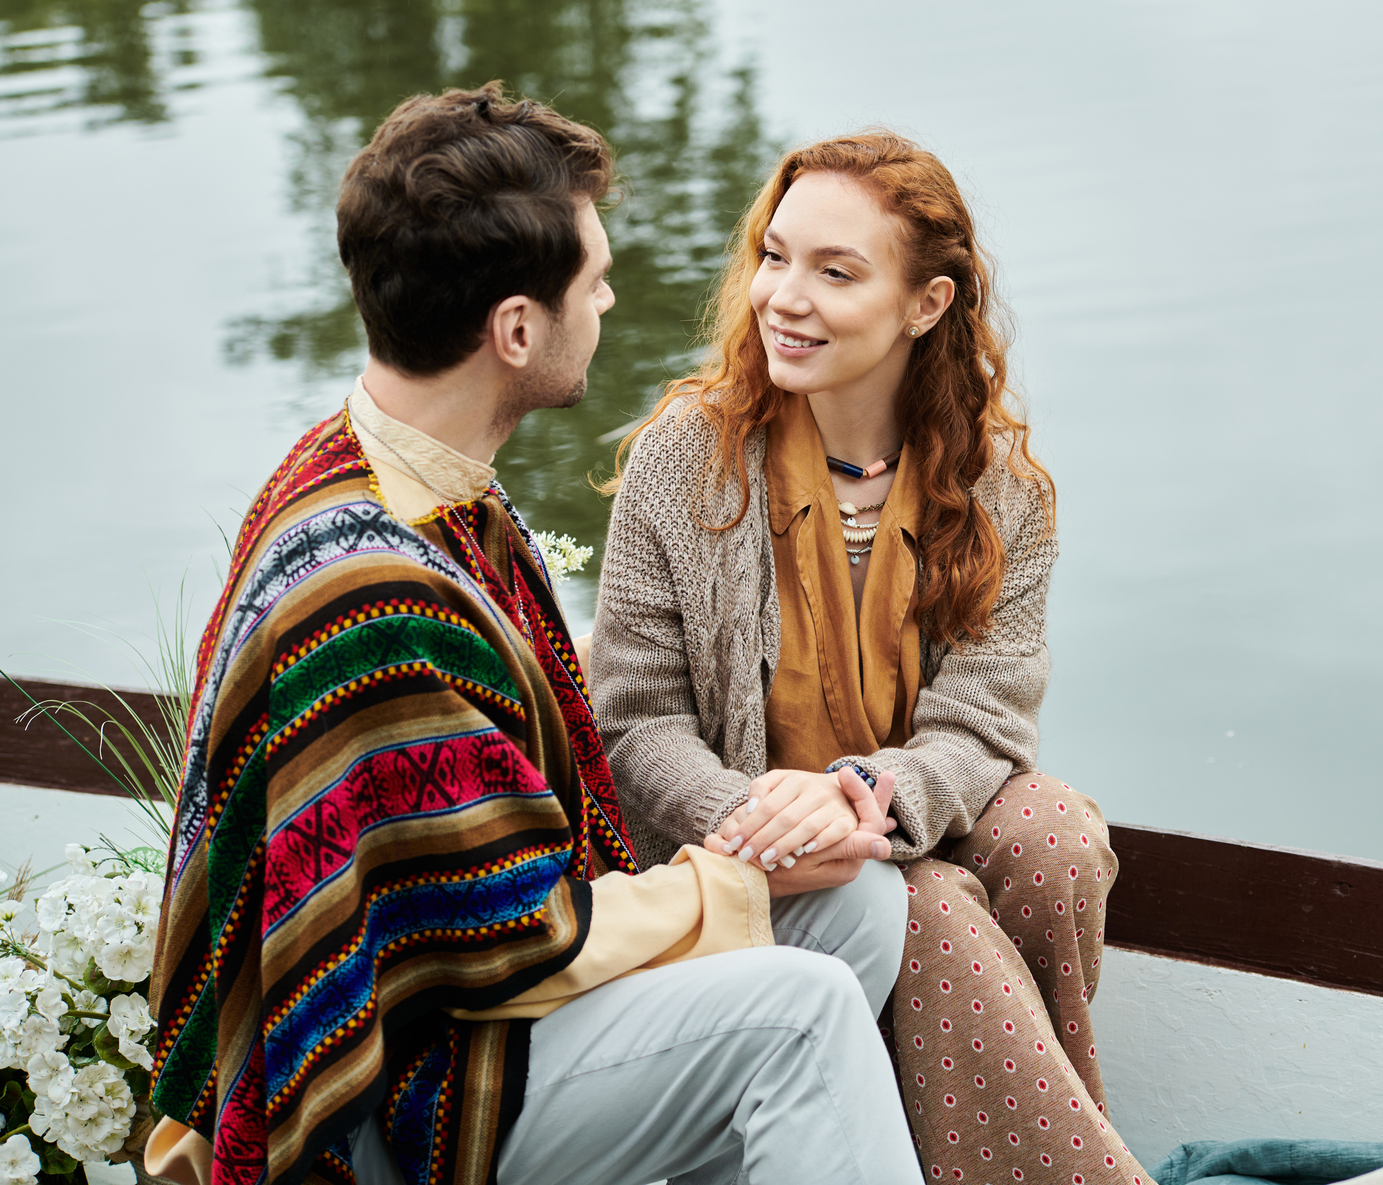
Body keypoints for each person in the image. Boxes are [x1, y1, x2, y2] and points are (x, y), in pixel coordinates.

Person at [143, 84, 921, 1185]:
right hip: (403, 1085)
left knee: (856, 903)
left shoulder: (400, 475)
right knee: (795, 1016)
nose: (605, 303)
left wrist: (773, 856)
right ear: (516, 329)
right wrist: (741, 872)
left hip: (476, 996)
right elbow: (512, 942)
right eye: (593, 283)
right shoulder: (372, 599)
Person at [591, 131, 1151, 1183]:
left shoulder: (1004, 492)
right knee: (926, 903)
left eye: (834, 272)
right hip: (728, 840)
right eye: (774, 255)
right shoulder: (682, 459)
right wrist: (758, 817)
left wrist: (863, 795)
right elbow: (634, 726)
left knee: (1056, 840)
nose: (782, 297)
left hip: (894, 808)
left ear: (925, 305)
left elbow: (983, 723)